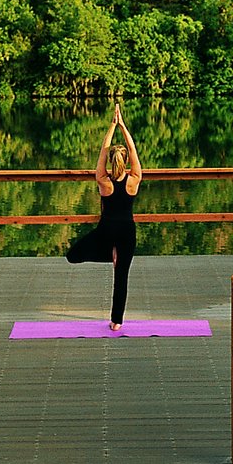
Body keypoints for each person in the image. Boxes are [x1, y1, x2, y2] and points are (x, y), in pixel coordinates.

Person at [65, 103, 143, 330]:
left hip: (106, 231)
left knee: (73, 255)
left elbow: (102, 149)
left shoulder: (103, 181)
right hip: (127, 231)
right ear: (126, 160)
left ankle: (110, 254)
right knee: (121, 277)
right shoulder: (134, 179)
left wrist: (112, 125)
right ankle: (116, 321)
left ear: (110, 161)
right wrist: (123, 126)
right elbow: (133, 148)